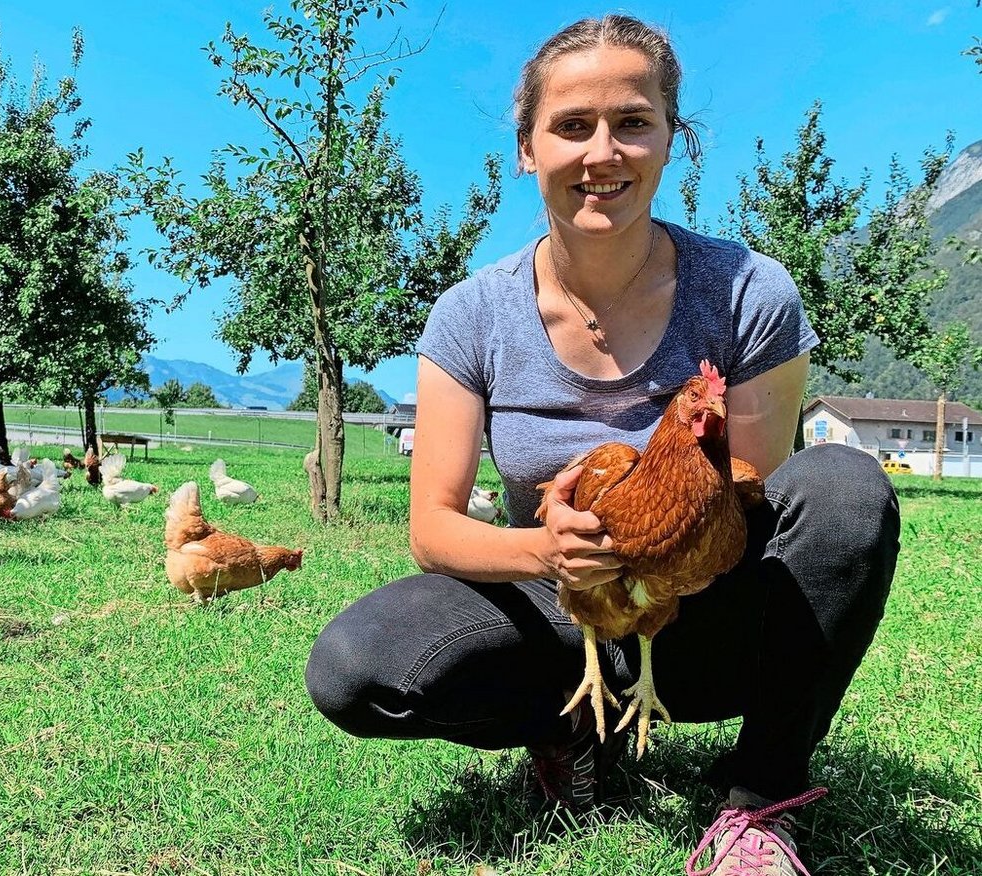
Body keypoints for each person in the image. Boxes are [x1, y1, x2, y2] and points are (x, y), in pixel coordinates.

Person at [304, 14, 898, 876]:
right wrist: (545, 547)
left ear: (670, 140)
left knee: (844, 487)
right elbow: (433, 530)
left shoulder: (748, 292)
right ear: (526, 148)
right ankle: (571, 730)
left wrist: (666, 556)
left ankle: (760, 802)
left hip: (700, 610)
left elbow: (760, 500)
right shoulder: (473, 315)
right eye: (572, 126)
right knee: (356, 666)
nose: (602, 152)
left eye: (633, 122)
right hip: (557, 604)